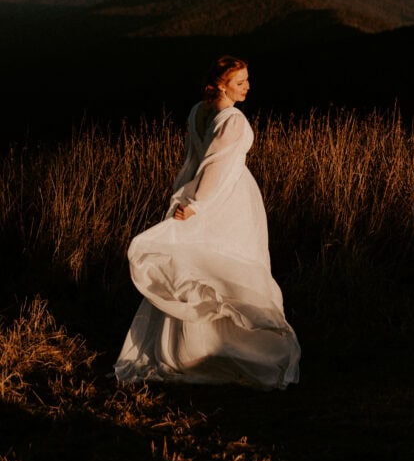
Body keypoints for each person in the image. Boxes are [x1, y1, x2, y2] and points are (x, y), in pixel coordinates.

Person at [114, 55, 300, 389]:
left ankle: (194, 348)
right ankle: (232, 351)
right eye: (240, 81)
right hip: (226, 201)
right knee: (224, 267)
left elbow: (191, 164)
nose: (247, 87)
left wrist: (181, 197)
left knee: (199, 266)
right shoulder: (233, 120)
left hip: (203, 195)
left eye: (246, 80)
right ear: (221, 85)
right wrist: (195, 205)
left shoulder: (196, 112)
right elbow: (213, 167)